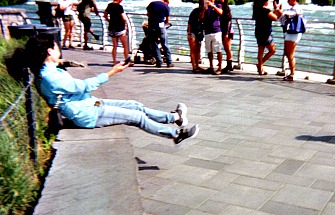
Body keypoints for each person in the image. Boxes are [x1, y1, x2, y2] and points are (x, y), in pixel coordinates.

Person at [7, 34, 199, 144]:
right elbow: (83, 86)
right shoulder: (50, 77)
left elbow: (65, 78)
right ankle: (176, 135)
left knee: (135, 105)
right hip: (88, 114)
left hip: (90, 104)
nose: (59, 49)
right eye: (56, 47)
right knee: (137, 117)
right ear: (49, 51)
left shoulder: (46, 70)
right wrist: (112, 72)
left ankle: (174, 118)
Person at [252, 0, 283, 75]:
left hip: (258, 31)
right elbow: (275, 18)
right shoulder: (266, 10)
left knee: (260, 50)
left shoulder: (257, 9)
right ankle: (260, 64)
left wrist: (275, 10)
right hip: (266, 33)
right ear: (265, 1)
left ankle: (260, 68)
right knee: (272, 50)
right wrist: (277, 9)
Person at [279, 0, 304, 81]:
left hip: (294, 33)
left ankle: (292, 74)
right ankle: (291, 73)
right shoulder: (293, 8)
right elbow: (283, 19)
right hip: (291, 32)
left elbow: (285, 16)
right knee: (287, 53)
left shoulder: (296, 9)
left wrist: (279, 11)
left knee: (290, 54)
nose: (287, 0)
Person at [104, 0, 129, 65]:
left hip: (112, 28)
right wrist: (125, 26)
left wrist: (110, 21)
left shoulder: (109, 5)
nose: (121, 0)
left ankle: (114, 62)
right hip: (120, 28)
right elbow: (124, 18)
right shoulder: (119, 7)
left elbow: (105, 15)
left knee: (114, 46)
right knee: (125, 45)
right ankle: (127, 61)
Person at [146, 0, 173, 67]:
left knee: (154, 44)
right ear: (166, 2)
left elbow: (147, 14)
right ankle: (169, 62)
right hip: (161, 25)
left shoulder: (152, 4)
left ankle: (159, 62)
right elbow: (167, 20)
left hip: (152, 25)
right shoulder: (166, 7)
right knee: (165, 43)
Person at [202, 0, 223, 75]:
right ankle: (211, 67)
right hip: (207, 31)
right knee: (209, 50)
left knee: (218, 50)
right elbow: (201, 18)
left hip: (216, 31)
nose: (209, 0)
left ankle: (220, 67)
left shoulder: (218, 5)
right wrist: (204, 9)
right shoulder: (204, 6)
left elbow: (221, 13)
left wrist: (213, 6)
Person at [187, 0, 205, 73]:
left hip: (200, 32)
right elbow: (190, 23)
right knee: (193, 49)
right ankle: (194, 66)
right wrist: (189, 33)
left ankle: (197, 65)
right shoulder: (195, 11)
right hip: (193, 32)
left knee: (198, 49)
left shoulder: (206, 12)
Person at [218, 0, 234, 74]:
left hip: (227, 31)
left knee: (228, 49)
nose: (221, 1)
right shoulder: (219, 8)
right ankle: (229, 65)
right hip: (223, 30)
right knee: (226, 48)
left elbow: (228, 22)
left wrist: (226, 33)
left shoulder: (226, 9)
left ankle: (229, 65)